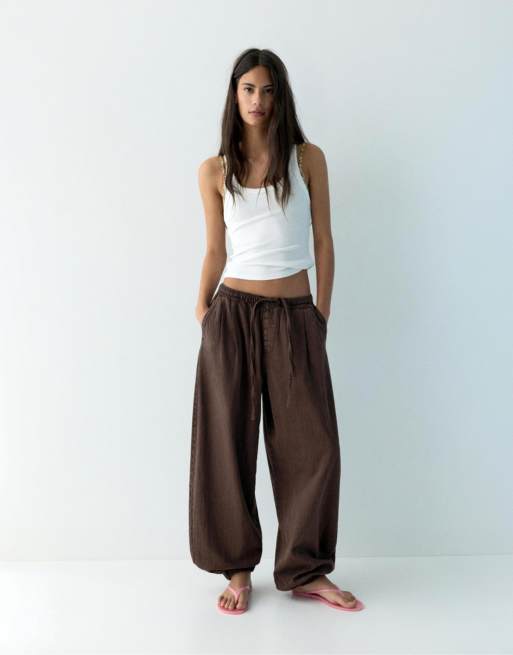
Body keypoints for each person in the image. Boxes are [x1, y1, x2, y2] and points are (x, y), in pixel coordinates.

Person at [189, 48, 364, 615]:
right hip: (232, 315)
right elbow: (215, 250)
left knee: (314, 447)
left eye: (267, 90)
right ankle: (237, 569)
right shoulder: (214, 170)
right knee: (226, 444)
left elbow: (324, 240)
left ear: (280, 96)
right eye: (248, 89)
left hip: (295, 315)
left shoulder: (307, 158)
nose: (258, 100)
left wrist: (321, 313)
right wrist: (202, 308)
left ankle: (306, 569)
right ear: (234, 95)